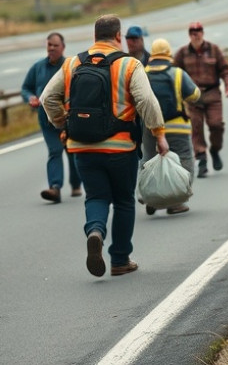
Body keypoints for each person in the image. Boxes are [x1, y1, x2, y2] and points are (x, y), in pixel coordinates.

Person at [41, 14, 169, 277]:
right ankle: (120, 260)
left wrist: (63, 126)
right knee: (123, 201)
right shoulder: (130, 64)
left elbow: (47, 99)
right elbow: (147, 101)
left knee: (96, 196)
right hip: (120, 149)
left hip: (82, 147)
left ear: (94, 36)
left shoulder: (72, 63)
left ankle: (96, 231)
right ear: (119, 36)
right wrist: (158, 133)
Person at [141, 38, 201, 215]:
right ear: (169, 54)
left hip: (149, 126)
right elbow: (195, 95)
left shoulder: (142, 73)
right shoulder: (177, 74)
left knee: (148, 160)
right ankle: (177, 202)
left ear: (152, 55)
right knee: (184, 161)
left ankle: (149, 197)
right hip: (177, 127)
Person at [21, 32, 83, 203]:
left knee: (71, 151)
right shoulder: (38, 68)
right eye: (49, 45)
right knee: (55, 151)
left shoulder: (70, 66)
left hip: (68, 119)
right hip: (46, 120)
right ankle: (54, 188)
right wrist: (30, 98)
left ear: (63, 47)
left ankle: (76, 184)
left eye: (55, 45)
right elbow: (26, 88)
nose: (52, 48)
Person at [173, 21, 228, 178]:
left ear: (203, 33)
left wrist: (227, 84)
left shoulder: (213, 50)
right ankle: (202, 158)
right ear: (189, 34)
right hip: (192, 96)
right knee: (196, 126)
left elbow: (225, 69)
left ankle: (215, 150)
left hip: (212, 94)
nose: (196, 34)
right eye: (192, 31)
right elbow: (174, 73)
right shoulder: (182, 53)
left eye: (198, 31)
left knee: (216, 124)